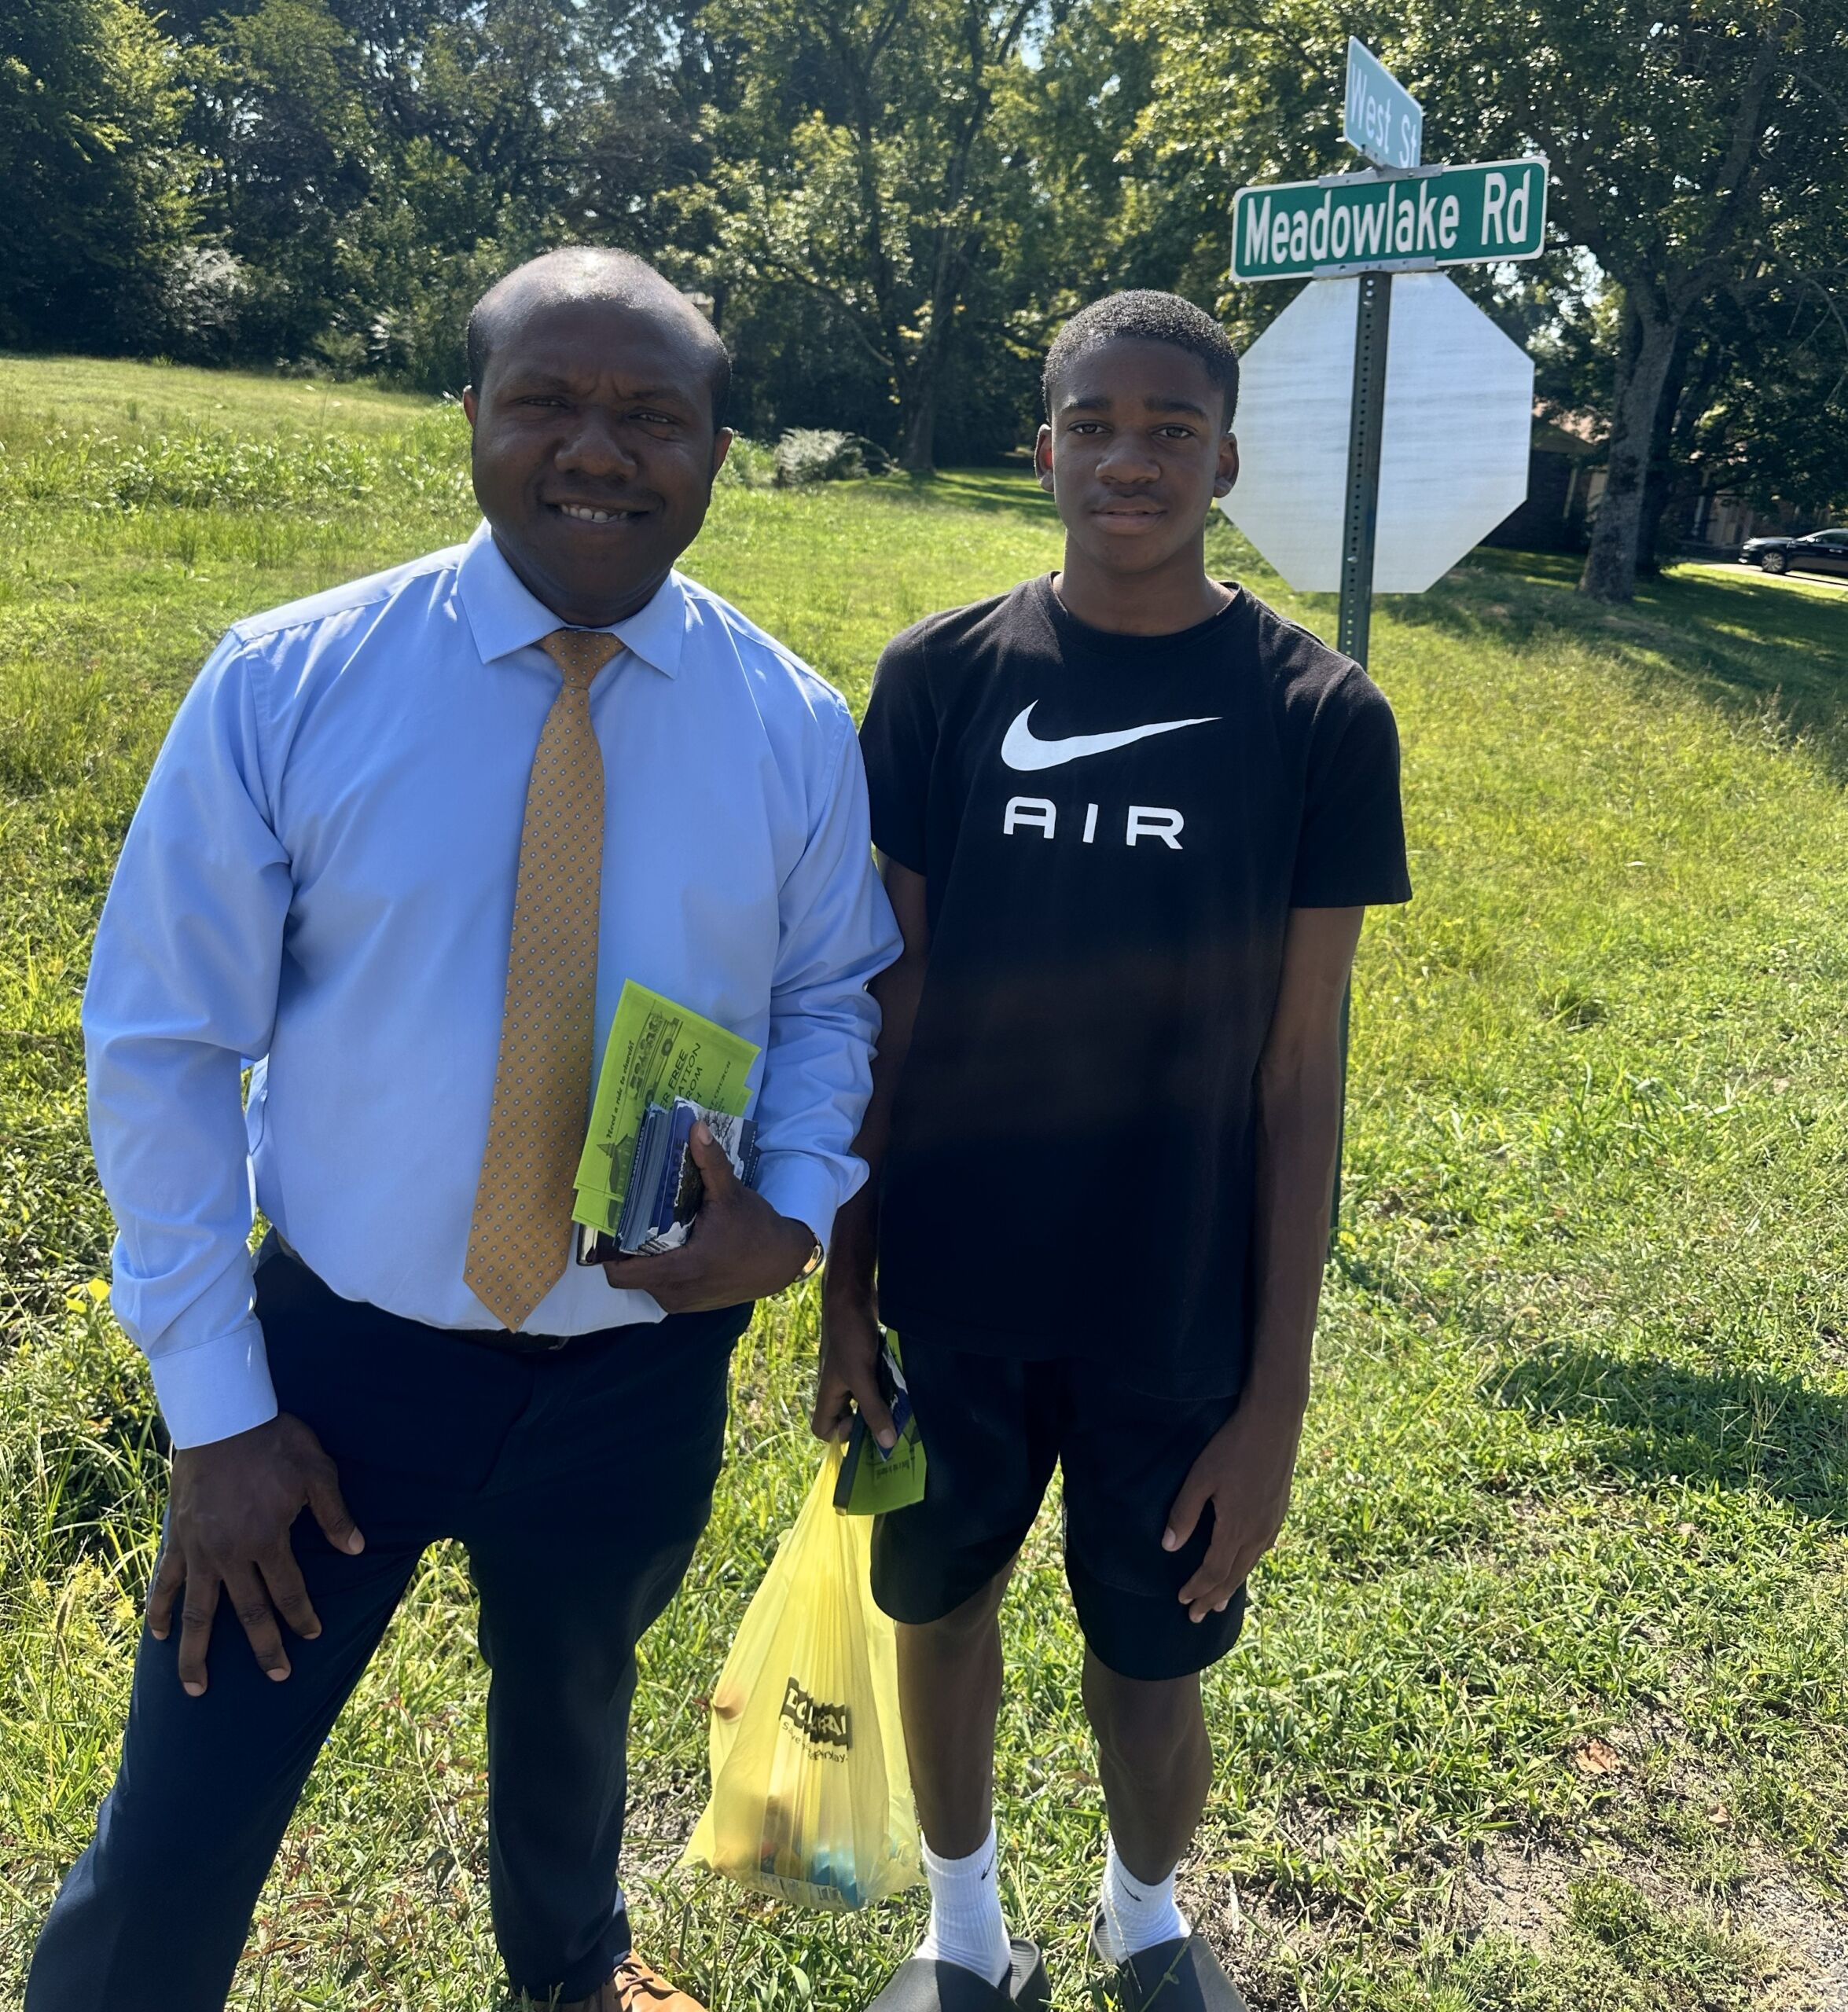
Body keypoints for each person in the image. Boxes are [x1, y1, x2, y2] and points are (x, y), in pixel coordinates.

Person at [28, 247, 900, 2012]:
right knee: (188, 1806)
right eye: (547, 402)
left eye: (653, 415)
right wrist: (216, 1414)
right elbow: (166, 1046)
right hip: (328, 1377)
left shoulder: (790, 725)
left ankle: (571, 1971)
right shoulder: (290, 681)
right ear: (472, 423)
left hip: (640, 1361)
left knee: (576, 1698)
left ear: (719, 453)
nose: (600, 449)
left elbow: (829, 996)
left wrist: (793, 1209)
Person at [814, 290, 1412, 2011]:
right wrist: (846, 1296)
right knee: (940, 1609)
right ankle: (962, 1930)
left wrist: (1275, 1398)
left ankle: (1146, 1915)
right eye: (1094, 423)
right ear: (1043, 448)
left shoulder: (1320, 712)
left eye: (1170, 430)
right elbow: (889, 1008)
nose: (1128, 459)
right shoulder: (940, 679)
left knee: (1152, 1662)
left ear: (1226, 462)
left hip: (1177, 1300)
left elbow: (1301, 1073)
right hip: (957, 1286)